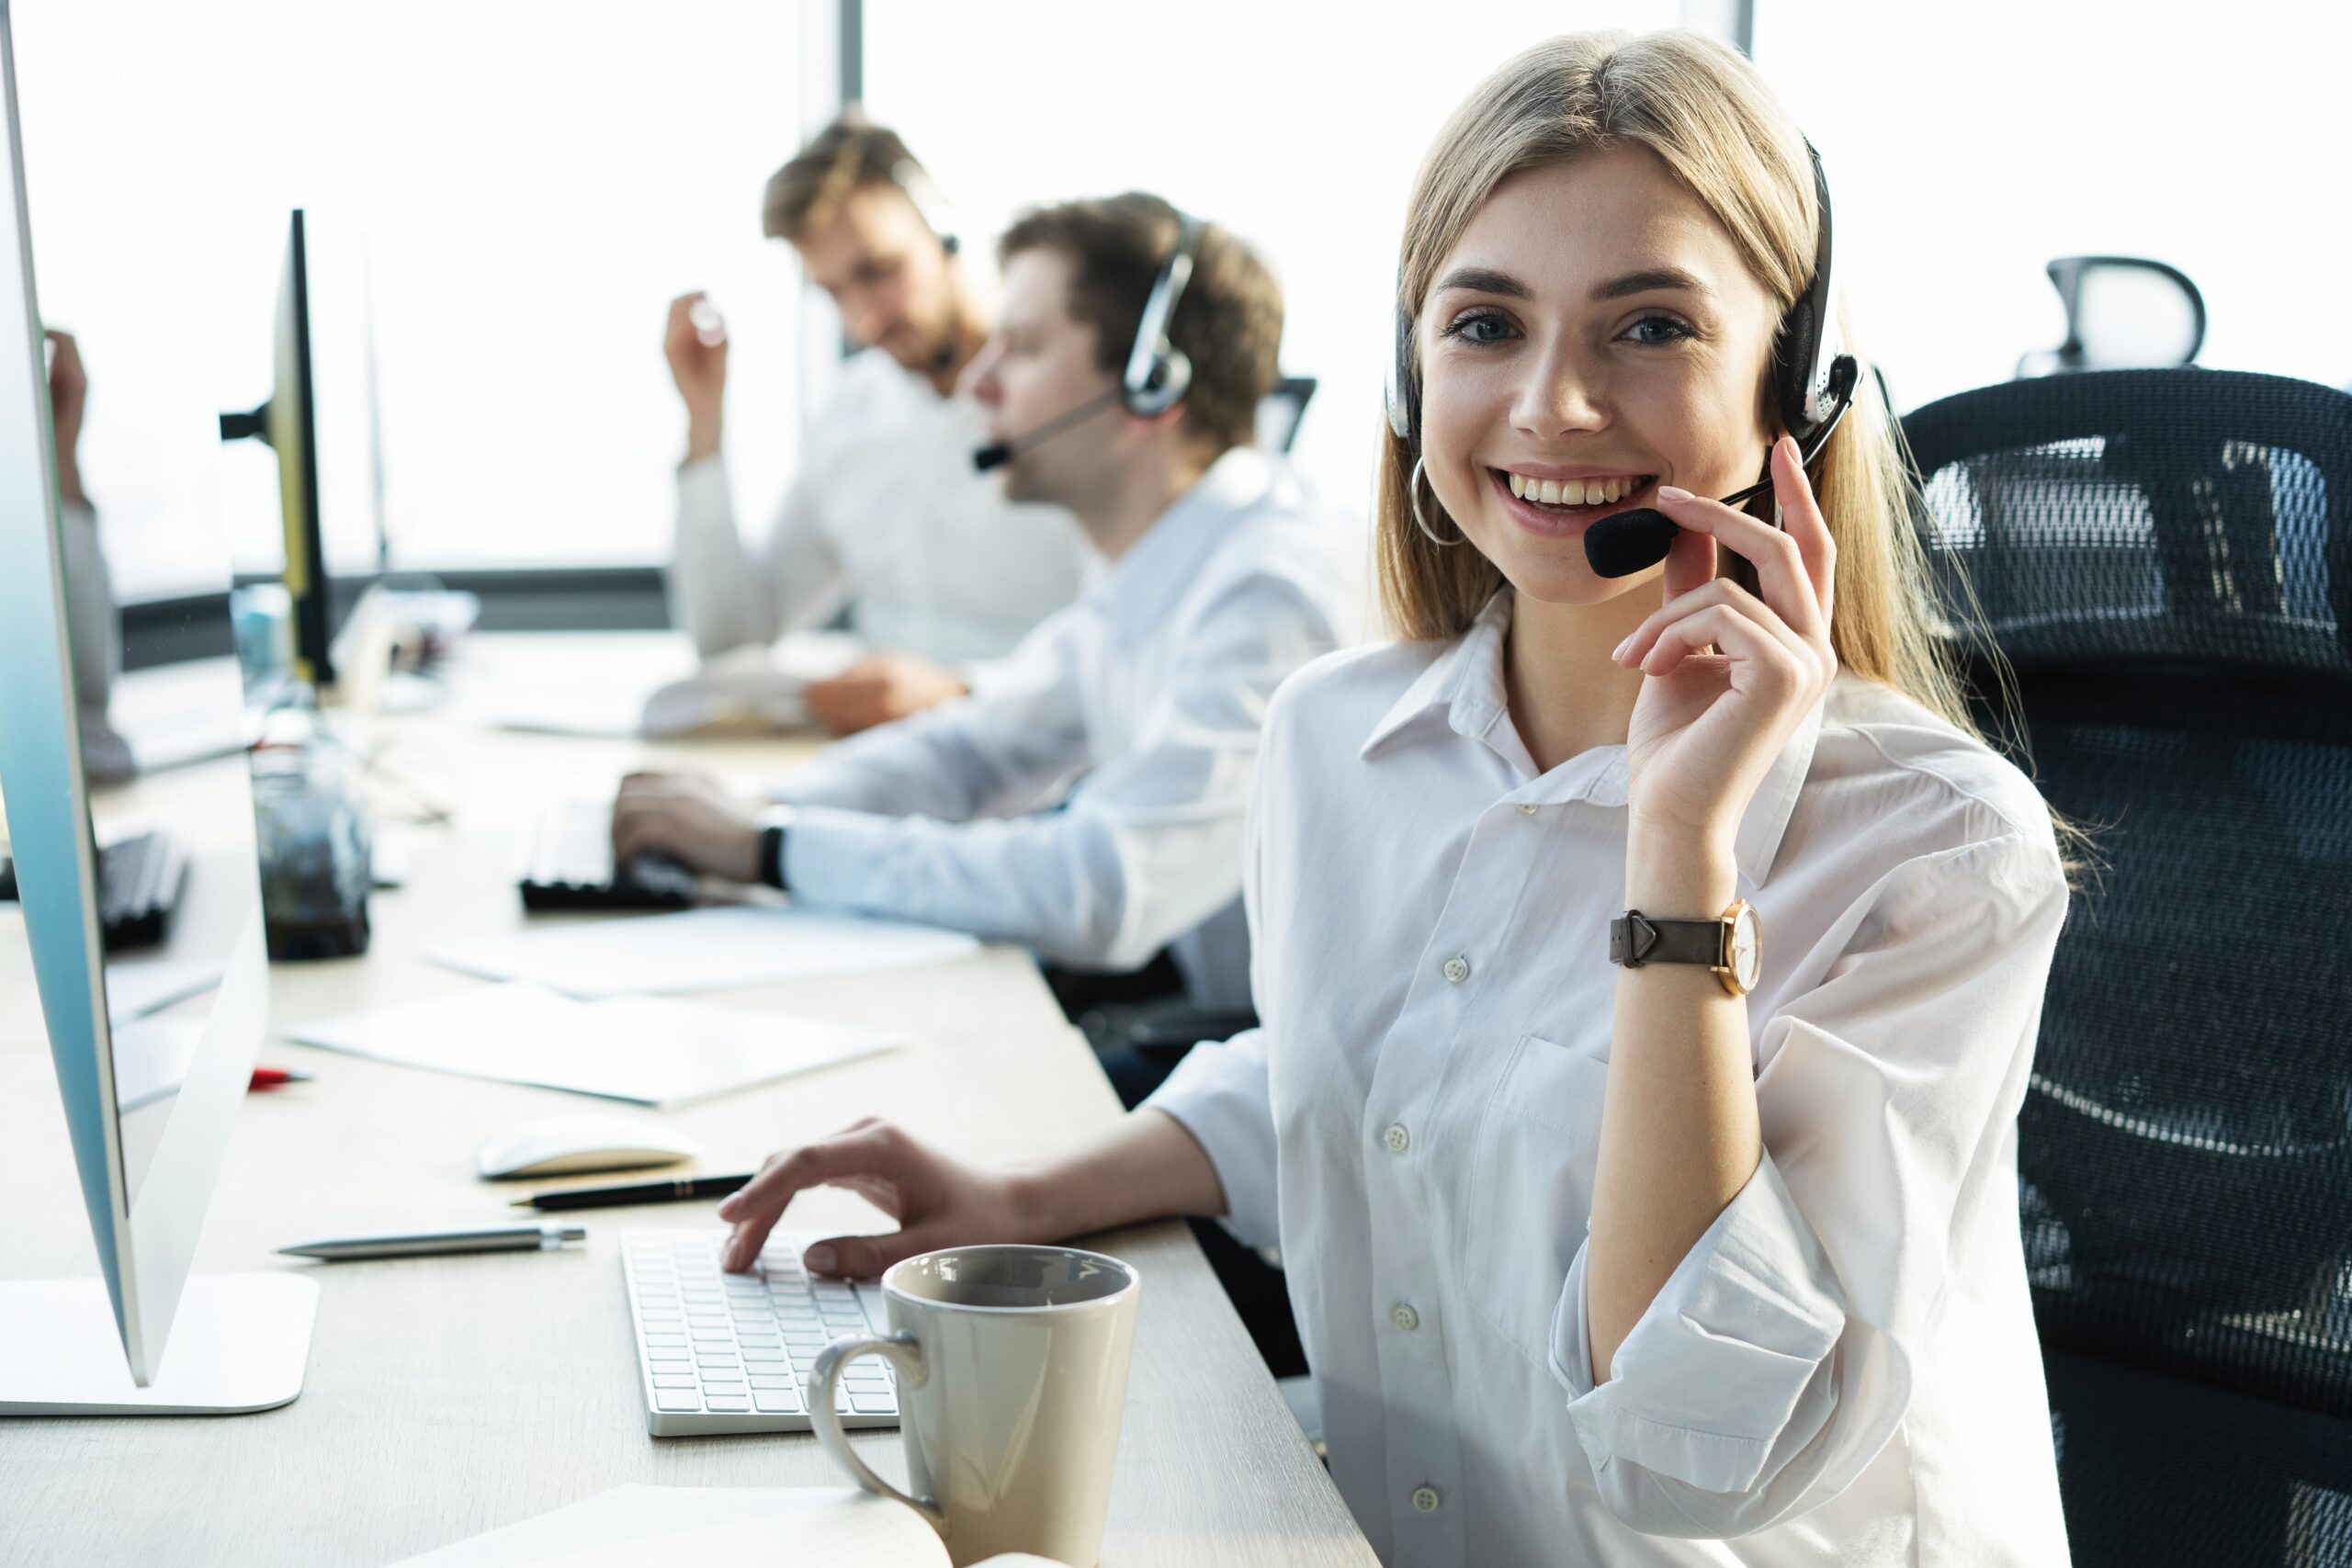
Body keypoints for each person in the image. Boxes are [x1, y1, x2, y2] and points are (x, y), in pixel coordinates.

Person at [704, 31, 2077, 1568]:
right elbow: (1373, 1079)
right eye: (1486, 321)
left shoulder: (1935, 843)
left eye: (1649, 327)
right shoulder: (1338, 740)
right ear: (1409, 370)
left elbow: (1691, 1451)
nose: (1554, 403)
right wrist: (1024, 1191)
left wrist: (1680, 859)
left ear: (1793, 381)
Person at [616, 193, 1351, 1026]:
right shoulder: (1149, 574)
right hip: (1200, 1023)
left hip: (1268, 1065)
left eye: (1025, 346)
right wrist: (755, 810)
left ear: (1153, 387)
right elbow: (974, 750)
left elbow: (1105, 885)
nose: (977, 381)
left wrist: (772, 848)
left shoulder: (1268, 595)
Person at [664, 113, 1091, 735]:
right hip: (885, 770)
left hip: (1041, 761)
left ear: (941, 227)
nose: (864, 321)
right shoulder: (849, 416)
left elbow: (1141, 645)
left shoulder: (1077, 399)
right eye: (834, 293)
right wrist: (704, 421)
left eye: (877, 271)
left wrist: (963, 692)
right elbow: (732, 641)